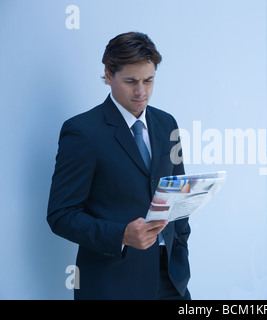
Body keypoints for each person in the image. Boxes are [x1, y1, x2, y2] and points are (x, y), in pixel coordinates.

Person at [47, 31, 191, 300]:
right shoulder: (82, 132)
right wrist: (121, 236)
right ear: (108, 75)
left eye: (149, 80)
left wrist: (181, 245)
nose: (141, 91)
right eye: (131, 81)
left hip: (171, 280)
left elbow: (177, 193)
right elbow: (61, 214)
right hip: (112, 286)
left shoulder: (167, 123)